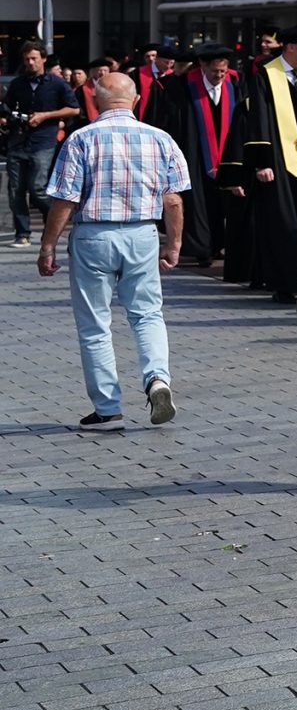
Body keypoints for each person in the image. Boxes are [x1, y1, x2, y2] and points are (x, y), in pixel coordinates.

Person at [38, 72, 188, 434]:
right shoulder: (160, 139)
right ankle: (157, 378)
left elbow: (64, 200)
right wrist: (173, 244)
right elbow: (172, 200)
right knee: (147, 314)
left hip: (94, 235)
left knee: (95, 324)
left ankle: (108, 410)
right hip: (142, 233)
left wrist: (47, 246)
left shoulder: (80, 139)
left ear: (95, 101)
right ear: (135, 100)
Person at [221, 24, 297, 305]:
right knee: (281, 222)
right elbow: (257, 119)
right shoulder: (265, 75)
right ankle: (284, 284)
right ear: (290, 47)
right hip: (276, 160)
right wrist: (261, 163)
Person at [153, 43, 240, 271]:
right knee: (198, 202)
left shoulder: (234, 84)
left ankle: (221, 244)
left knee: (223, 203)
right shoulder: (182, 86)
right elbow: (169, 121)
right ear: (203, 66)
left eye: (223, 71)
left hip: (227, 155)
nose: (219, 76)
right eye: (215, 71)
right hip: (194, 154)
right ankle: (203, 249)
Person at [7, 43, 80, 247]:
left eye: (34, 58)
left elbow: (74, 109)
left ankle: (55, 222)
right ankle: (22, 233)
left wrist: (46, 116)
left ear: (43, 59)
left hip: (44, 141)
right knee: (15, 191)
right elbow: (7, 107)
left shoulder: (57, 83)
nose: (30, 62)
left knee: (38, 188)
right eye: (27, 59)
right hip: (18, 141)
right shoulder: (18, 83)